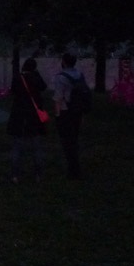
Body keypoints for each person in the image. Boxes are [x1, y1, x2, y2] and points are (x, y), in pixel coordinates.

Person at [7, 57, 47, 184]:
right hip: (34, 116)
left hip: (19, 115)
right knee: (36, 148)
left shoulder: (18, 78)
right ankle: (39, 175)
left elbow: (13, 91)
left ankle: (15, 176)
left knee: (17, 147)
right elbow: (43, 87)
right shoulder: (36, 78)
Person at [53, 52, 85, 180]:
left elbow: (58, 98)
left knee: (67, 141)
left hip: (66, 111)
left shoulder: (61, 77)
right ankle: (74, 167)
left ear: (64, 62)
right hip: (77, 111)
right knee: (74, 139)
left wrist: (57, 114)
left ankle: (73, 170)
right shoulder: (80, 75)